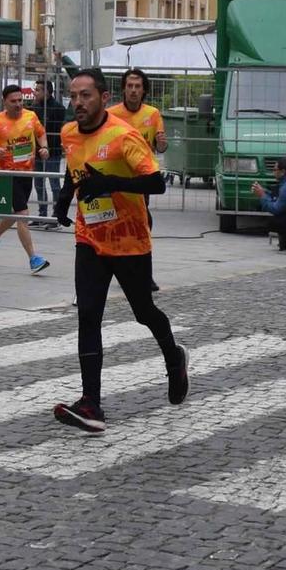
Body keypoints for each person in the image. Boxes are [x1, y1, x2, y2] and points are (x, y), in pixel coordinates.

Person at [51, 68, 188, 432]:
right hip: (90, 238)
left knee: (144, 312)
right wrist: (65, 197)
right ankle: (91, 404)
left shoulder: (123, 136)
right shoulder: (67, 133)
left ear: (103, 97)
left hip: (130, 241)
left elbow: (156, 183)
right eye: (73, 95)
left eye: (85, 96)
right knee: (88, 315)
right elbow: (75, 169)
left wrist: (109, 183)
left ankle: (174, 359)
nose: (77, 102)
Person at [0, 83, 50, 276]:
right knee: (23, 214)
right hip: (7, 174)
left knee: (17, 213)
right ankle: (34, 259)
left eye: (20, 100)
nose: (18, 104)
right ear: (5, 102)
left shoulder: (30, 116)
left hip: (27, 172)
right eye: (13, 101)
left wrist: (44, 148)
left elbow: (41, 134)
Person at [110, 68, 169, 291]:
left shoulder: (152, 114)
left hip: (142, 179)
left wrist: (162, 143)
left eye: (137, 87)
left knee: (143, 224)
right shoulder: (113, 114)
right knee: (118, 224)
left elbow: (161, 147)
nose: (133, 91)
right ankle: (119, 268)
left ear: (144, 90)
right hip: (118, 178)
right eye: (130, 86)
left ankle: (146, 274)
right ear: (123, 89)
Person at [36, 80, 70, 216]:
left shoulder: (59, 109)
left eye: (38, 90)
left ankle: (57, 214)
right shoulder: (35, 109)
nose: (35, 92)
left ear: (47, 92)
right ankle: (42, 213)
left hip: (53, 152)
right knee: (38, 184)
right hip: (38, 152)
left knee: (54, 184)